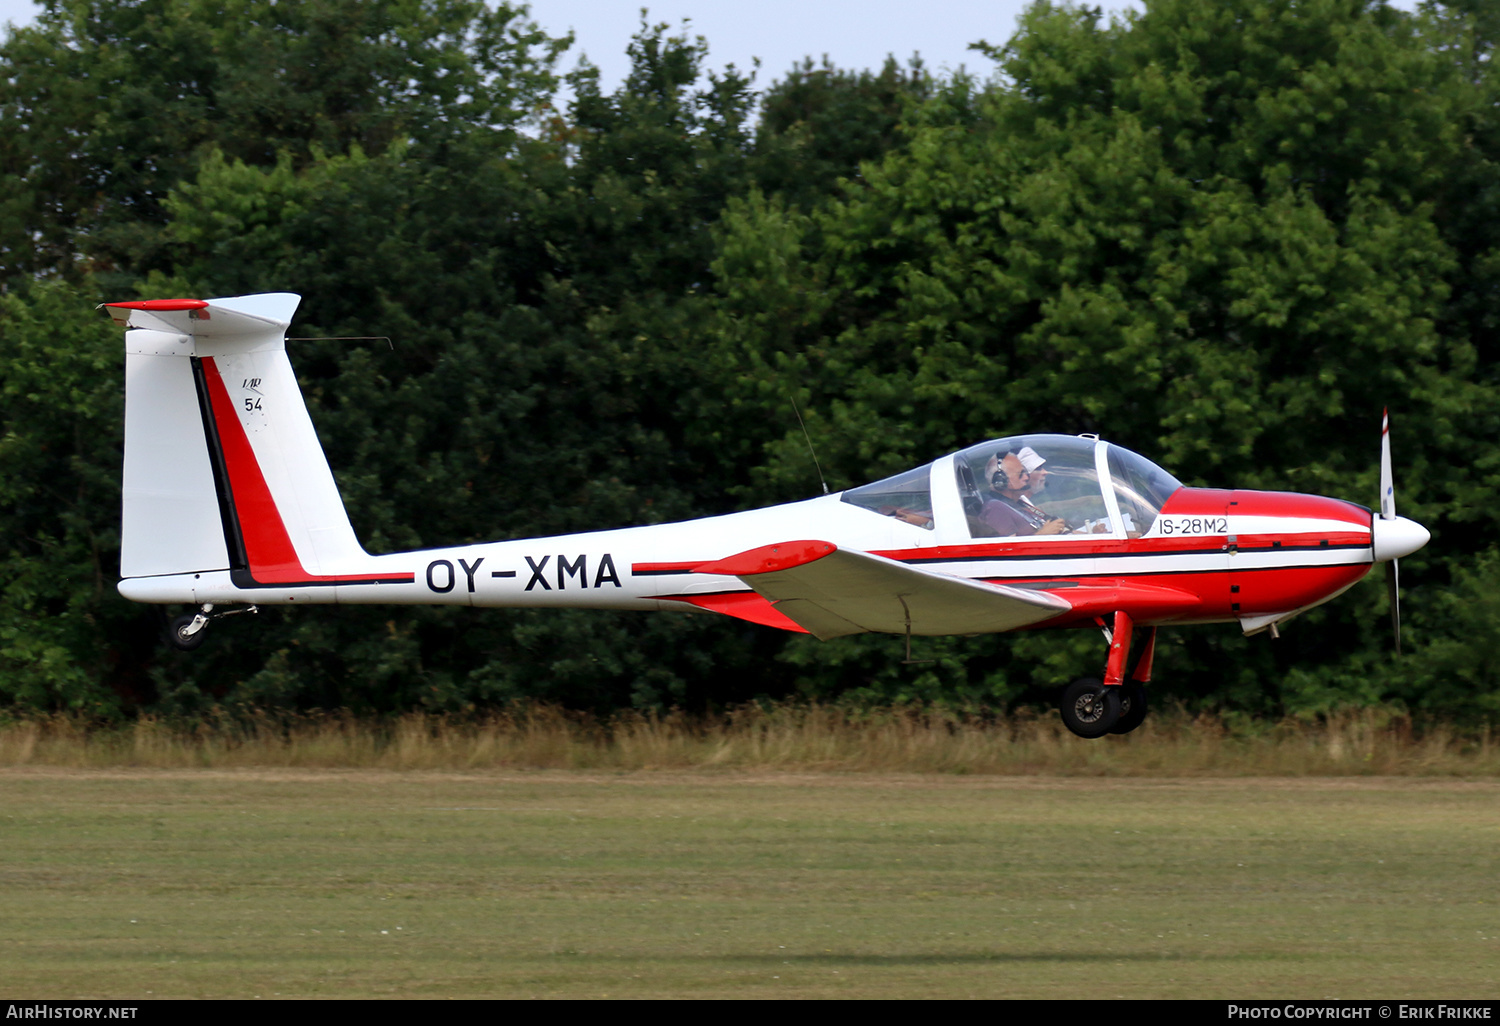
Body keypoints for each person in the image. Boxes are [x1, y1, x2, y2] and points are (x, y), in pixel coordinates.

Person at [979, 451, 1066, 536]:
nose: (1026, 477)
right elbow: (1009, 549)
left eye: (1025, 472)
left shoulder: (1017, 503)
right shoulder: (996, 508)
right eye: (1020, 474)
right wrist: (1043, 534)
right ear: (1001, 481)